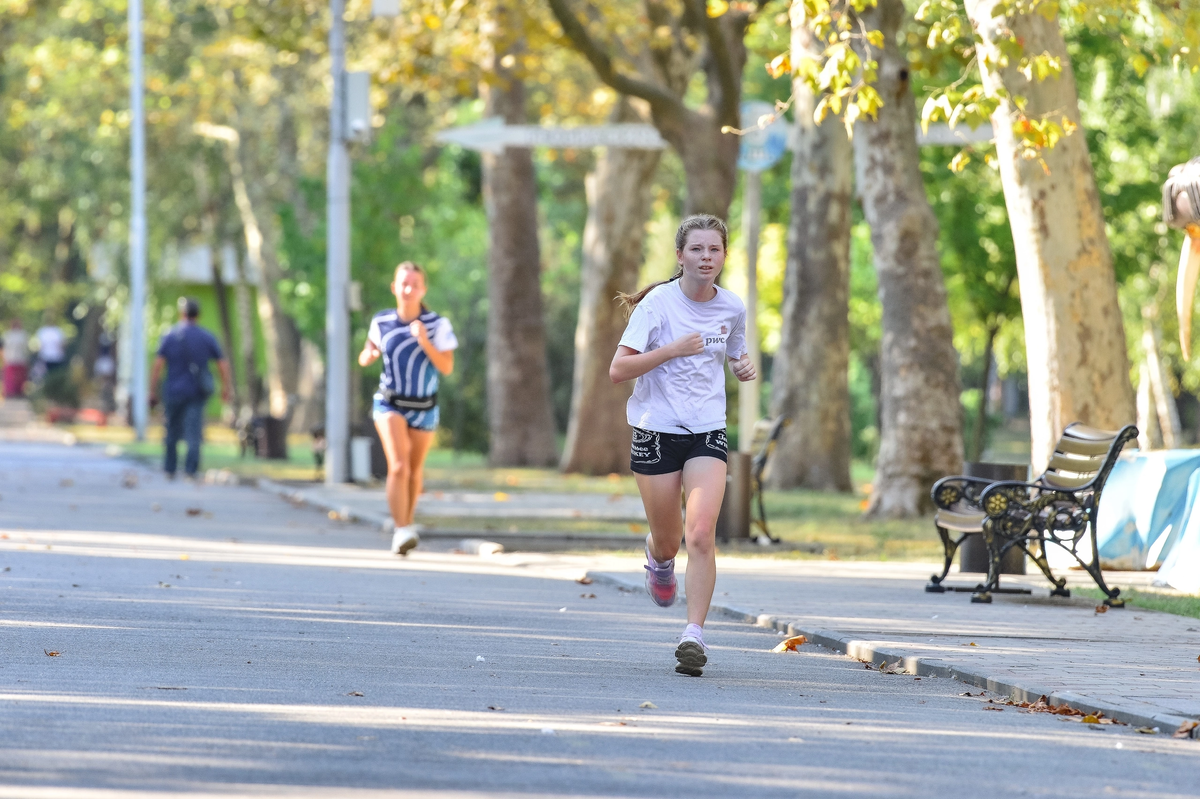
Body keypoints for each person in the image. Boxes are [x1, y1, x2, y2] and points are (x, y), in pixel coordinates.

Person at [609, 214, 756, 677]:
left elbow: (734, 351)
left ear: (724, 256)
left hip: (707, 429)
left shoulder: (732, 307)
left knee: (700, 533)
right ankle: (657, 558)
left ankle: (693, 634)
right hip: (656, 430)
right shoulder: (657, 306)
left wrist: (742, 366)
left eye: (714, 250)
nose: (706, 258)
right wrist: (672, 349)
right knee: (672, 541)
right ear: (680, 256)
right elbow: (618, 370)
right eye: (696, 249)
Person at [359, 262, 457, 556]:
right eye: (403, 283)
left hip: (424, 406)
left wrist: (425, 342)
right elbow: (367, 353)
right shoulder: (382, 321)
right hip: (390, 402)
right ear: (394, 287)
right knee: (399, 465)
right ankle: (401, 529)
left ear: (423, 289)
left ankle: (407, 524)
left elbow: (447, 367)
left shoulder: (437, 324)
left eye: (415, 284)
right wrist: (368, 354)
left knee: (414, 472)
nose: (408, 289)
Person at [149, 297, 232, 479]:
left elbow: (158, 365)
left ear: (182, 313)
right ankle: (190, 470)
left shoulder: (169, 335)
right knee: (194, 431)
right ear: (198, 314)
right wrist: (226, 388)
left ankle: (170, 469)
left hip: (173, 390)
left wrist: (152, 390)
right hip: (197, 392)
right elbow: (222, 365)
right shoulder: (207, 337)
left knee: (171, 429)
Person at [2, 320, 29, 399]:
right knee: (18, 377)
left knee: (11, 377)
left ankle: (11, 392)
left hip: (11, 359)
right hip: (19, 359)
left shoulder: (7, 335)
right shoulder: (22, 335)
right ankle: (17, 392)